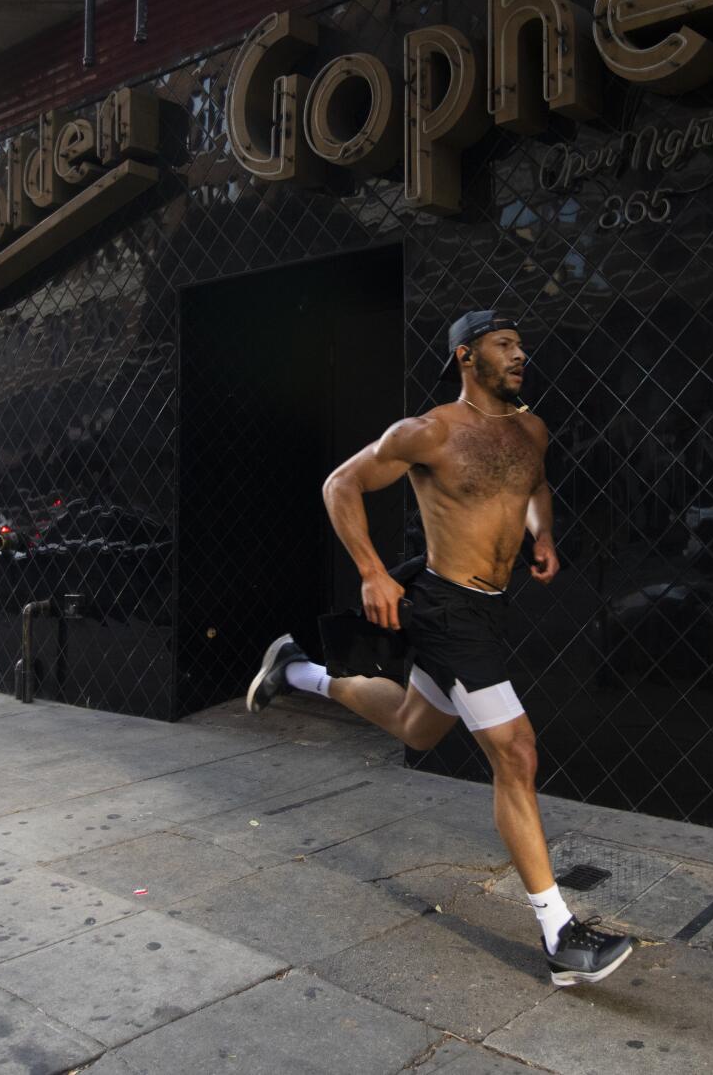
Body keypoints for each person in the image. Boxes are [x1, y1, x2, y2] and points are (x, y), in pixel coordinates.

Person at [246, 310, 634, 987]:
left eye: (521, 344)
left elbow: (534, 483)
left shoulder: (529, 429)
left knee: (413, 727)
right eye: (504, 344)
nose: (521, 354)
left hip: (490, 611)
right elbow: (340, 484)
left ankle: (294, 667)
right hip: (446, 607)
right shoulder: (428, 432)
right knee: (515, 750)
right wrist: (370, 570)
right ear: (465, 355)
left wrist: (542, 536)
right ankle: (559, 933)